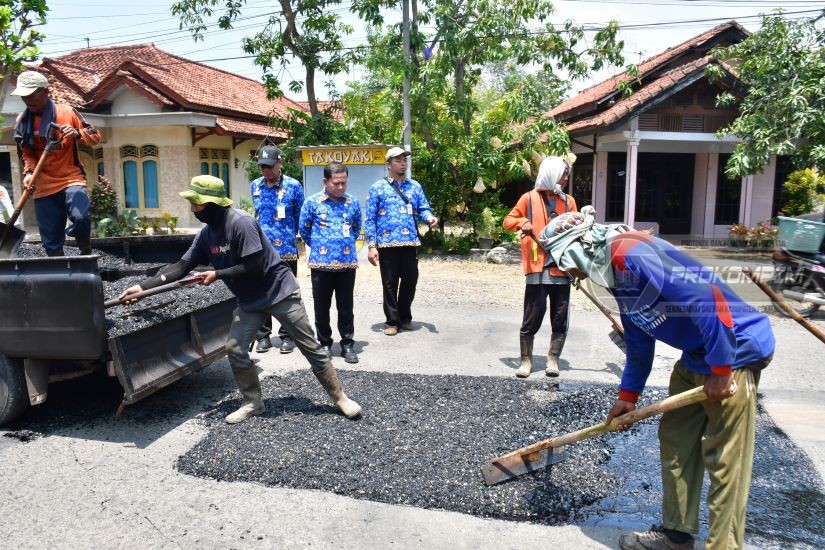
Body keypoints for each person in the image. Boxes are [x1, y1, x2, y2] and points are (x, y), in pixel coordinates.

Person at [540, 206, 775, 550]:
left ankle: (724, 546)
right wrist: (628, 397)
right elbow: (638, 340)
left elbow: (709, 301)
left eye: (563, 261)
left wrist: (722, 371)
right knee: (676, 440)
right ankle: (676, 535)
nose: (566, 272)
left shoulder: (632, 256)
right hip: (696, 356)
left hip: (735, 350)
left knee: (725, 459)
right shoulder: (616, 273)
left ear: (579, 246)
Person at [118, 175, 361, 424]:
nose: (193, 208)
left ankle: (340, 397)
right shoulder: (206, 235)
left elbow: (254, 266)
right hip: (250, 300)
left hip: (279, 291)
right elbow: (180, 267)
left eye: (197, 203)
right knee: (234, 347)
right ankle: (253, 402)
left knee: (310, 346)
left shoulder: (241, 223)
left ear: (212, 203)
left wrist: (217, 274)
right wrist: (141, 288)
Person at [502, 156, 577, 378]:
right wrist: (522, 223)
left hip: (562, 268)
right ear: (552, 174)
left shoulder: (569, 202)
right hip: (536, 267)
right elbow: (508, 221)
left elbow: (577, 230)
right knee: (532, 315)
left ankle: (553, 359)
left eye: (567, 175)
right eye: (563, 174)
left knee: (560, 316)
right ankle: (526, 361)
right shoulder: (528, 198)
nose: (566, 178)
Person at [12, 70, 101, 256]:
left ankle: (85, 254)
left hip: (71, 180)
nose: (28, 100)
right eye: (23, 96)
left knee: (81, 217)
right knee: (51, 242)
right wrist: (28, 173)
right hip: (43, 187)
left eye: (31, 94)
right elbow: (26, 154)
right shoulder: (22, 122)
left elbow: (95, 137)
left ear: (46, 92)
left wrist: (77, 134)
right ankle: (60, 274)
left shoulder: (66, 113)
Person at [365, 146, 438, 336]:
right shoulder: (377, 188)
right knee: (389, 283)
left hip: (410, 242)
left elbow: (423, 208)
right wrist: (372, 245)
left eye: (404, 160)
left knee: (410, 280)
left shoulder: (415, 186)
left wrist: (430, 218)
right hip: (387, 244)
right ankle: (392, 321)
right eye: (398, 160)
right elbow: (370, 218)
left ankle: (405, 316)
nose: (403, 163)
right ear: (388, 164)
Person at [299, 162, 362, 364]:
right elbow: (305, 230)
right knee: (321, 306)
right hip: (321, 264)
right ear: (325, 181)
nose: (341, 187)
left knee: (346, 306)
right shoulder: (312, 202)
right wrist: (321, 246)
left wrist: (343, 246)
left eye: (344, 183)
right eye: (336, 183)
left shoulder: (352, 203)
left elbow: (356, 228)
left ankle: (347, 344)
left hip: (347, 264)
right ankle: (324, 343)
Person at [249, 144, 305, 354]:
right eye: (263, 166)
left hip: (287, 250)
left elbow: (300, 216)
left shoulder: (293, 186)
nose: (266, 170)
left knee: (286, 294)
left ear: (279, 163)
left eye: (270, 166)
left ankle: (288, 335)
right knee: (262, 293)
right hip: (260, 251)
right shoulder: (255, 186)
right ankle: (263, 335)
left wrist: (296, 238)